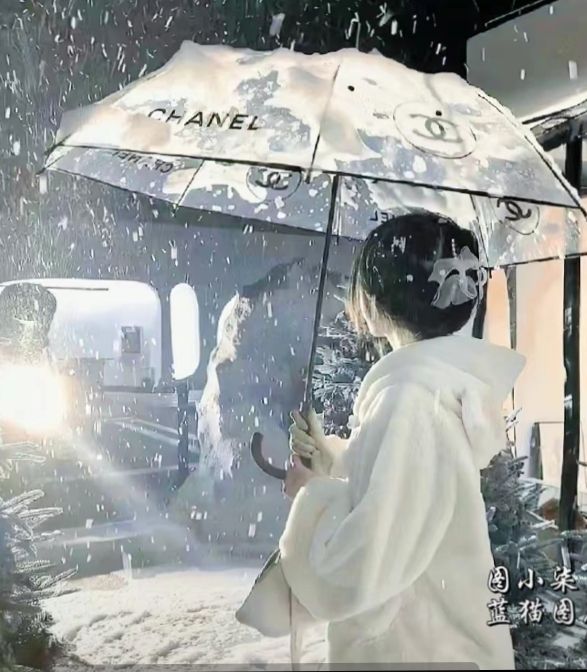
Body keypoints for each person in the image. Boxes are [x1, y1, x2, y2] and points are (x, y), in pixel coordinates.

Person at [279, 211, 523, 669]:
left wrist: (311, 495)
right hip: (442, 646)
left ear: (377, 298)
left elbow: (363, 564)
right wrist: (329, 456)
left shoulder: (409, 400)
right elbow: (400, 493)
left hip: (417, 648)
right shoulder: (432, 389)